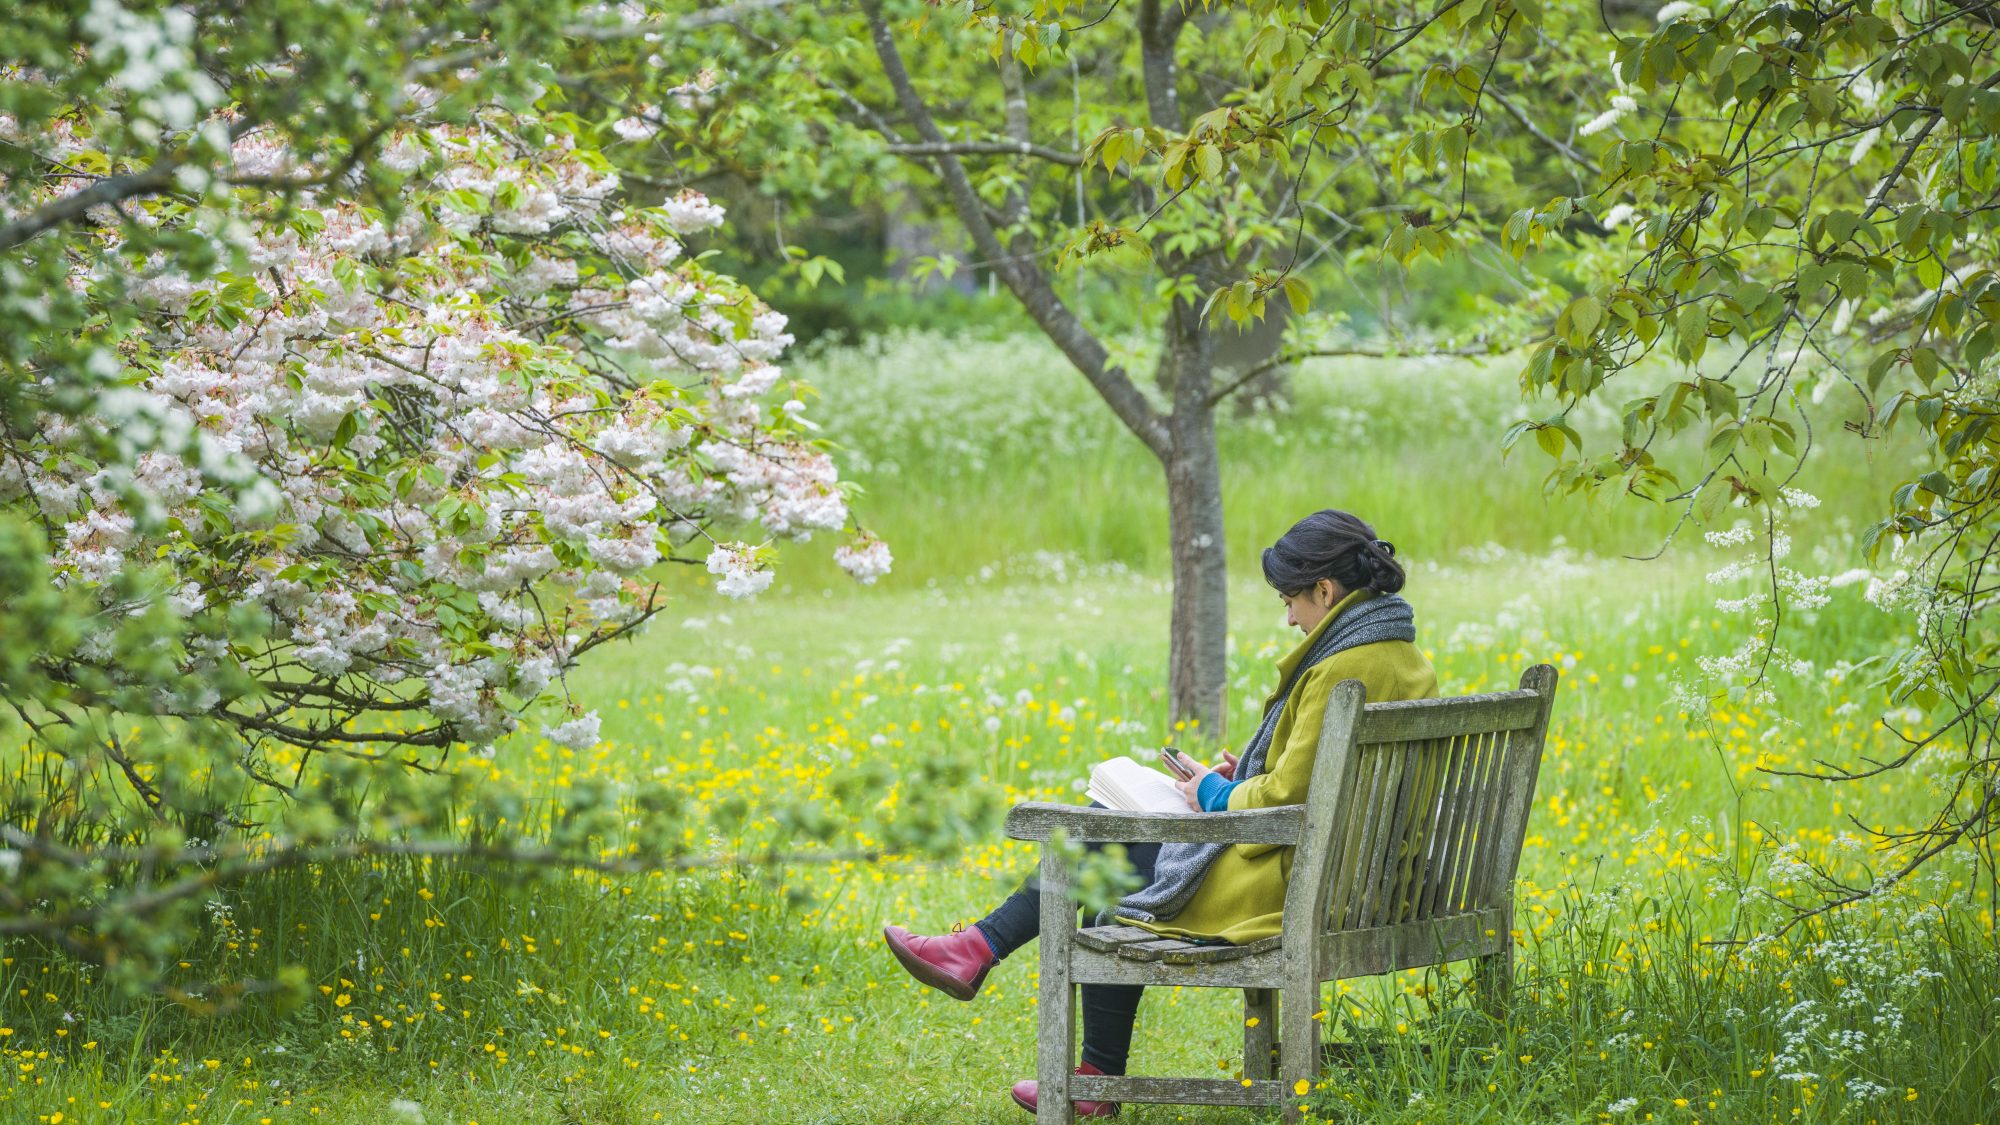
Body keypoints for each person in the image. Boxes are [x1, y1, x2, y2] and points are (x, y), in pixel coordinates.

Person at [882, 509, 1439, 1118]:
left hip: (1299, 884)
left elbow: (1284, 801)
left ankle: (989, 963)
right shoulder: (1402, 657)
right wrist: (1243, 775)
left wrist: (1211, 793)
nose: (1289, 617)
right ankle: (1032, 1013)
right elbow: (1314, 781)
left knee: (1093, 845)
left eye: (1290, 601)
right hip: (1365, 876)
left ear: (1325, 591)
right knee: (1100, 852)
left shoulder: (1341, 667)